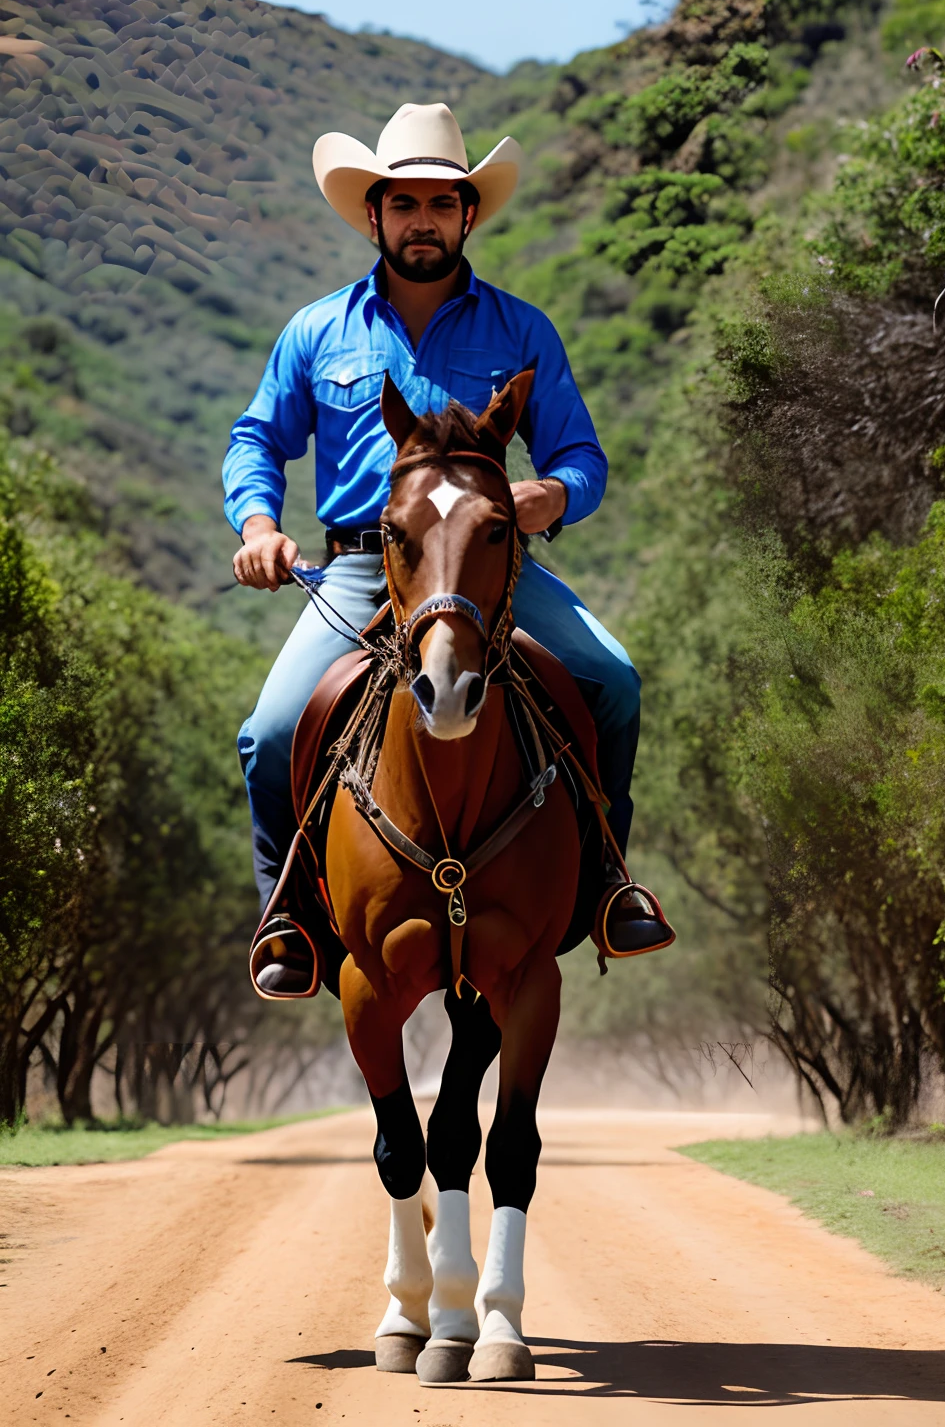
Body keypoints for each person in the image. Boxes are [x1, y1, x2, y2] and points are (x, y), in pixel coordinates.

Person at [224, 102, 670, 984]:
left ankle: (609, 885)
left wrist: (552, 494)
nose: (421, 221)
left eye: (440, 203)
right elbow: (255, 441)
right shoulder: (316, 331)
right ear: (374, 214)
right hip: (361, 566)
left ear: (468, 215)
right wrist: (261, 526)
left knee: (613, 680)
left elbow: (581, 453)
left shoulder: (523, 329)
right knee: (269, 731)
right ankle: (288, 919)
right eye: (404, 204)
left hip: (488, 566)